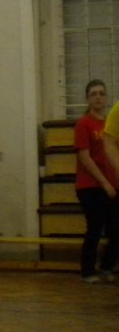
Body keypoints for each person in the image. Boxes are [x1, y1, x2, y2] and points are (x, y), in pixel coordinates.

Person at [73, 81, 118, 283]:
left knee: (116, 229)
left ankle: (107, 266)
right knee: (95, 228)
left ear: (106, 97)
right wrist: (104, 183)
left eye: (101, 93)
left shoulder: (111, 124)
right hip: (90, 185)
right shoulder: (84, 123)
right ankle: (88, 271)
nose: (98, 97)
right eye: (93, 94)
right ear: (88, 99)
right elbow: (85, 157)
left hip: (112, 183)